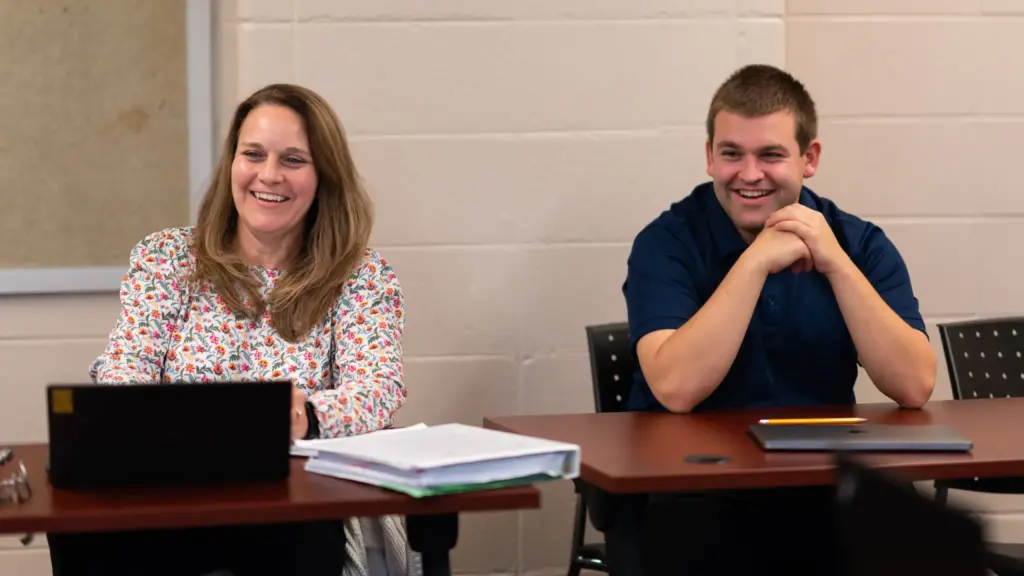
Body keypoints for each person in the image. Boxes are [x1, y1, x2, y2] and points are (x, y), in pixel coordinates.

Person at [47, 83, 406, 576]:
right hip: (168, 495)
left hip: (294, 502)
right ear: (232, 164)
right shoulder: (168, 258)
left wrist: (303, 415)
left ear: (324, 176)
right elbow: (124, 370)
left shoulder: (360, 276)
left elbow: (378, 389)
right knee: (81, 530)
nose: (269, 175)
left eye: (294, 159)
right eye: (253, 154)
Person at [622, 64, 936, 575]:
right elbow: (677, 388)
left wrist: (835, 263)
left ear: (808, 158)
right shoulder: (665, 243)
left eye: (770, 154)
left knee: (915, 532)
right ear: (708, 157)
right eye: (731, 154)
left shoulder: (858, 243)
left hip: (822, 480)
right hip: (695, 489)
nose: (749, 174)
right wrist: (756, 261)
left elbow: (913, 384)